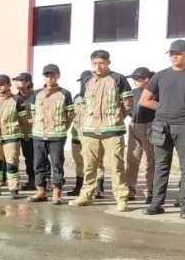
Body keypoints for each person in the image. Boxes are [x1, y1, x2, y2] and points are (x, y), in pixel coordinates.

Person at [140, 40, 185, 219]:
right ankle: (157, 204)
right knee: (161, 166)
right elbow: (144, 100)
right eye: (172, 53)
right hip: (161, 126)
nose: (174, 56)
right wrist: (163, 107)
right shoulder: (161, 75)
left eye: (178, 53)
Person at [68, 51, 132, 211]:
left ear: (108, 62)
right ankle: (86, 196)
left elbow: (128, 103)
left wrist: (118, 117)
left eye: (102, 63)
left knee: (116, 165)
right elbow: (83, 105)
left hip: (112, 130)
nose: (99, 66)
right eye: (95, 63)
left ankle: (121, 198)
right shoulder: (87, 81)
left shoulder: (119, 79)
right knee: (89, 165)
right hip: (90, 131)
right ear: (91, 63)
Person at [27, 64, 75, 205]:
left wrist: (62, 128)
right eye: (47, 75)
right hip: (39, 134)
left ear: (58, 76)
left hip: (57, 135)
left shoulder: (65, 93)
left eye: (53, 75)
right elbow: (34, 112)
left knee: (57, 164)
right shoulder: (37, 93)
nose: (50, 78)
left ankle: (56, 192)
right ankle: (41, 190)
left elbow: (70, 114)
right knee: (39, 163)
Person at [0, 75, 29, 199]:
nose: (0, 87)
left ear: (9, 85)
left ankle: (14, 188)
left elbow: (23, 119)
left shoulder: (17, 100)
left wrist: (19, 131)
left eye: (3, 84)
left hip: (11, 137)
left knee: (12, 164)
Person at [68, 71, 105, 199]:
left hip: (92, 135)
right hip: (77, 135)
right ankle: (79, 186)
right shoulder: (77, 97)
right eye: (83, 82)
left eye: (87, 81)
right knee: (79, 161)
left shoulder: (98, 96)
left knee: (96, 162)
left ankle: (99, 188)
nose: (84, 84)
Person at [125, 67, 156, 204]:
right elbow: (126, 108)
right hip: (133, 125)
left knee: (151, 162)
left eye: (137, 79)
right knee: (132, 159)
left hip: (149, 126)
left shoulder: (156, 92)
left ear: (146, 79)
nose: (134, 81)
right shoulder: (133, 92)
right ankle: (129, 191)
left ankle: (151, 192)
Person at [13, 72, 36, 189]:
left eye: (20, 80)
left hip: (36, 134)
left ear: (28, 83)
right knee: (28, 159)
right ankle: (31, 181)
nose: (17, 83)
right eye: (16, 80)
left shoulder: (36, 96)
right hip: (22, 134)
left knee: (38, 159)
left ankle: (42, 182)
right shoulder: (15, 98)